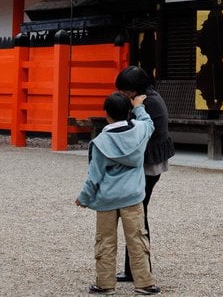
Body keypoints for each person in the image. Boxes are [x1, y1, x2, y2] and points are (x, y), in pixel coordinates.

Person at [75, 91, 160, 295]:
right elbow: (149, 122)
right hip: (132, 196)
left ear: (106, 114)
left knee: (105, 240)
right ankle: (144, 282)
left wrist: (84, 197)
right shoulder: (140, 130)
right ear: (128, 112)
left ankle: (105, 283)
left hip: (107, 198)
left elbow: (94, 175)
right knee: (137, 239)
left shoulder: (101, 142)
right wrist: (139, 106)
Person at [114, 66, 176, 284]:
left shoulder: (148, 103)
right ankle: (136, 268)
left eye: (124, 90)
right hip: (148, 161)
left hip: (147, 164)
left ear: (134, 89)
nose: (123, 94)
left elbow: (138, 135)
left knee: (137, 216)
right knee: (138, 214)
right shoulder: (147, 97)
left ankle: (138, 269)